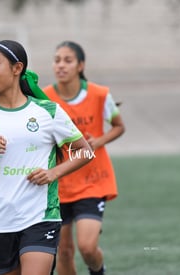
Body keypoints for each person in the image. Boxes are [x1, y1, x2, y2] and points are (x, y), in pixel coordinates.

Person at [0, 40, 94, 275]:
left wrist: (53, 173)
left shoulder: (48, 111)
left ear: (17, 68)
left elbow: (85, 151)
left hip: (40, 217)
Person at [42, 41, 125, 275]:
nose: (61, 65)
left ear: (80, 65)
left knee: (87, 248)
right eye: (57, 60)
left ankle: (99, 270)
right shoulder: (44, 99)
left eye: (67, 60)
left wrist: (99, 141)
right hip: (60, 184)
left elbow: (119, 126)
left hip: (92, 181)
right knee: (64, 252)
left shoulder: (100, 94)